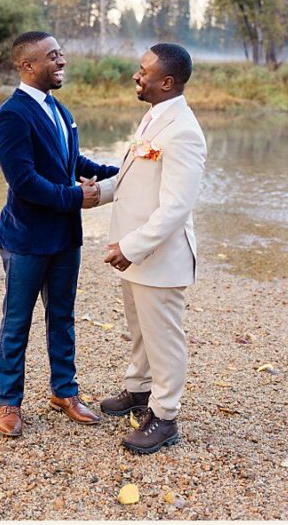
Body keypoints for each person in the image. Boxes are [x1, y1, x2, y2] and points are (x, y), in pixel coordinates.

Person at [0, 31, 119, 438]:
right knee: (17, 321)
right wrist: (75, 197)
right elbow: (24, 181)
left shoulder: (60, 110)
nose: (62, 61)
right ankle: (9, 403)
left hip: (66, 237)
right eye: (52, 56)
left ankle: (65, 392)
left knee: (62, 318)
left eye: (62, 53)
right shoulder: (11, 115)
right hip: (26, 238)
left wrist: (126, 173)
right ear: (27, 66)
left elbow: (73, 160)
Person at [94, 43, 207, 454]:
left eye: (143, 71)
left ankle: (165, 416)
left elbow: (176, 207)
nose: (135, 76)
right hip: (132, 253)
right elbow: (132, 177)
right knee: (140, 331)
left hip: (157, 257)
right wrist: (98, 193)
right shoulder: (153, 118)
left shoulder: (184, 132)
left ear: (167, 81)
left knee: (164, 338)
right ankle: (139, 390)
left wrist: (132, 247)